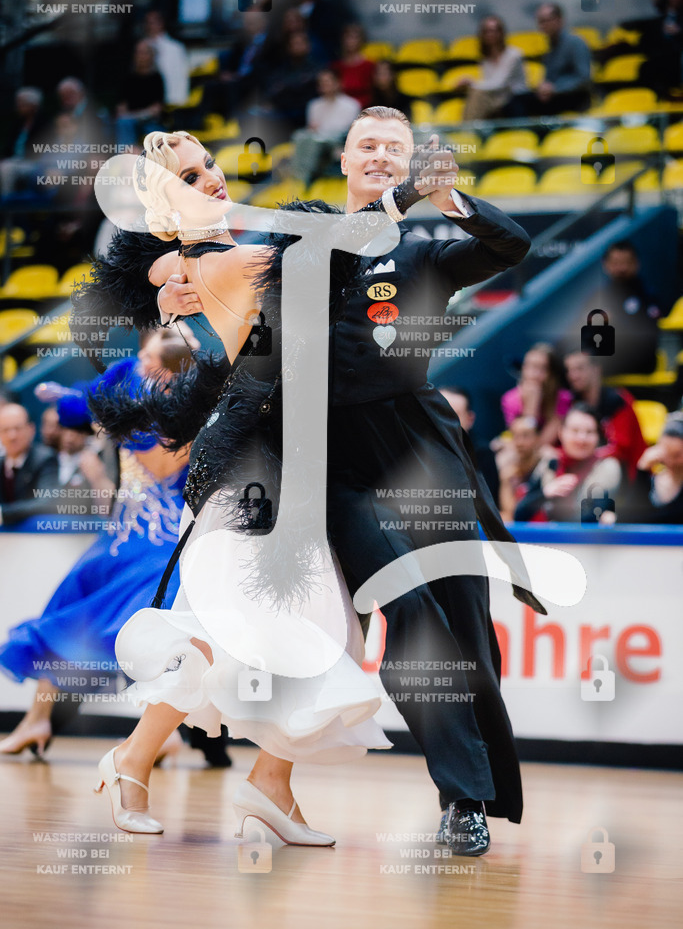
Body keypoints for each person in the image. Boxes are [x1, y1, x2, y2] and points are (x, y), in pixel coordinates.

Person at [149, 111, 546, 855]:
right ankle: (461, 797)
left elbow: (511, 245)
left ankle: (472, 798)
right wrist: (172, 279)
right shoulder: (301, 240)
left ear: (404, 166)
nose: (380, 157)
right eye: (367, 144)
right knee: (411, 614)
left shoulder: (424, 250)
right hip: (332, 461)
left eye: (393, 149)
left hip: (421, 455)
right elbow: (199, 261)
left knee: (465, 625)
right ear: (343, 157)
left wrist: (451, 197)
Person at [0, 329, 193, 761]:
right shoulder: (129, 377)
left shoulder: (189, 410)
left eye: (149, 358)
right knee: (70, 603)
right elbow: (79, 407)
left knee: (145, 625)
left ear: (170, 371)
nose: (139, 361)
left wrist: (108, 415)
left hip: (162, 539)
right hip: (121, 530)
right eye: (142, 353)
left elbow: (159, 460)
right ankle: (37, 719)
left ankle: (161, 734)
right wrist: (73, 399)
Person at [513, 402, 621, 522]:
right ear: (561, 433)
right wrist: (545, 494)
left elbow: (590, 518)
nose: (581, 439)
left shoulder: (607, 466)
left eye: (589, 432)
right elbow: (519, 514)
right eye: (575, 431)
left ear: (598, 437)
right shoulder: (550, 463)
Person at [581, 239, 661, 376]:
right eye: (616, 263)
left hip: (640, 363)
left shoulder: (647, 295)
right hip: (604, 362)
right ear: (605, 265)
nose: (622, 268)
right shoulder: (598, 296)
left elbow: (648, 336)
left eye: (626, 262)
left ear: (636, 263)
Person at [563, 349, 646, 479]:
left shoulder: (619, 400)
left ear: (596, 369)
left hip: (629, 477)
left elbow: (621, 448)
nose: (573, 376)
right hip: (587, 470)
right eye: (570, 370)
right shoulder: (573, 402)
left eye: (580, 368)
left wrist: (585, 453)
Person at [503, 3, 592, 117]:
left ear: (559, 20)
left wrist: (555, 89)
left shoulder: (575, 43)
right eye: (540, 21)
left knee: (519, 102)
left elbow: (584, 79)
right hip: (555, 97)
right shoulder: (550, 47)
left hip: (574, 97)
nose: (542, 25)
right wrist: (544, 90)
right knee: (513, 101)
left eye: (546, 21)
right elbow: (549, 79)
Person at [292, 69, 360, 186]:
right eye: (322, 83)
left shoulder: (351, 104)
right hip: (318, 139)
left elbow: (350, 131)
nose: (325, 85)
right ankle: (300, 177)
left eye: (328, 81)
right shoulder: (314, 105)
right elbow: (312, 128)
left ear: (337, 83)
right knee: (300, 136)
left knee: (314, 141)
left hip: (339, 141)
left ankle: (304, 178)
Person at [501, 342, 573, 448]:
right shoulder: (510, 399)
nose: (533, 374)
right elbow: (523, 443)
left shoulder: (563, 398)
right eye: (528, 366)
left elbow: (541, 445)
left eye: (541, 368)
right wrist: (531, 405)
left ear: (552, 374)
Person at [0, 403, 60, 526]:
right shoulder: (1, 464)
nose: (12, 436)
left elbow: (47, 501)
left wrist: (3, 513)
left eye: (17, 428)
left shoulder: (45, 459)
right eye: (5, 430)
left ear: (31, 429)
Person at [439, 385, 500, 500]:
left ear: (470, 419)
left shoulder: (482, 454)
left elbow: (485, 503)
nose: (444, 420)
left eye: (453, 415)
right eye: (439, 412)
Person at [461, 16, 527, 121]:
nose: (490, 34)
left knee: (477, 94)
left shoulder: (513, 55)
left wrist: (471, 83)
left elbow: (499, 84)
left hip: (513, 98)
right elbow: (489, 84)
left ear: (501, 32)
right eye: (486, 31)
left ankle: (468, 130)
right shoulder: (486, 59)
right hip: (497, 97)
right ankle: (470, 130)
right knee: (476, 95)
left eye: (494, 30)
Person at [628, 411, 683, 523]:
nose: (671, 462)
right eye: (667, 453)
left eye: (677, 455)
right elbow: (630, 518)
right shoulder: (649, 481)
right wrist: (642, 471)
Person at [498, 416, 552, 523]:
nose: (520, 442)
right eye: (515, 436)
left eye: (526, 436)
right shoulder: (507, 469)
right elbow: (510, 512)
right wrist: (506, 482)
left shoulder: (548, 463)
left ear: (537, 438)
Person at [115, 40, 165, 148]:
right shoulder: (127, 78)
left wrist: (136, 116)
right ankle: (125, 159)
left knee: (155, 132)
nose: (140, 56)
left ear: (151, 56)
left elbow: (156, 110)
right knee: (122, 123)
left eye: (144, 52)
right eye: (138, 52)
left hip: (150, 121)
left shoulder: (157, 78)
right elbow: (121, 108)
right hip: (129, 121)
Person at [143, 9, 190, 107]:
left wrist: (180, 101)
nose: (151, 26)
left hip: (171, 101)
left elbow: (182, 75)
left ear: (161, 23)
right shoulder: (142, 47)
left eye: (154, 22)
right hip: (147, 103)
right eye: (148, 23)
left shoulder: (176, 48)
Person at [332, 25, 375, 110]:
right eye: (347, 37)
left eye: (355, 38)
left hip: (365, 110)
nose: (350, 41)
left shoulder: (369, 66)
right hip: (340, 109)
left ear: (362, 41)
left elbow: (374, 93)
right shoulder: (336, 66)